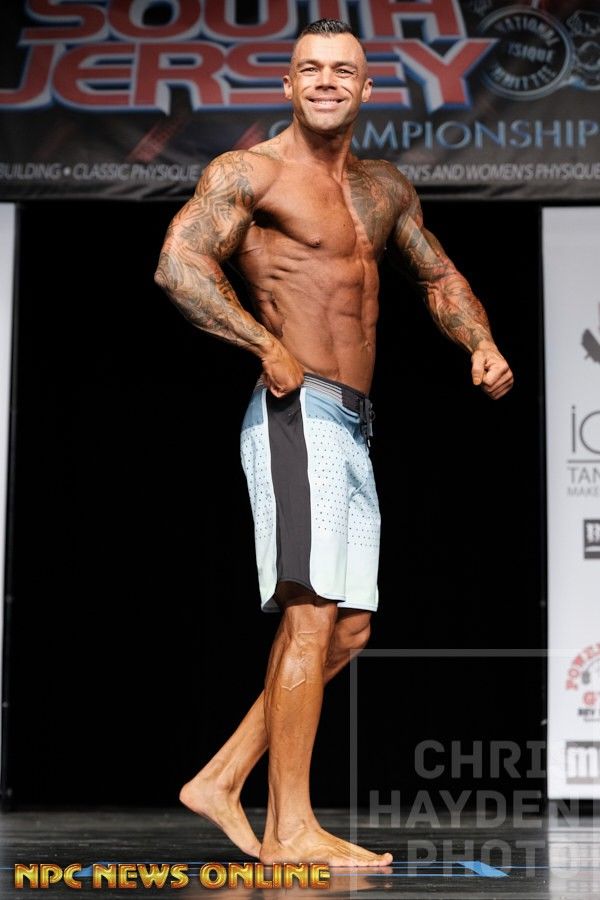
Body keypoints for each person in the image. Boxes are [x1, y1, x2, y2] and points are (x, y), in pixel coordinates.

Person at [154, 18, 514, 867]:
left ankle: (221, 777)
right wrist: (263, 344)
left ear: (365, 87)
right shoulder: (251, 172)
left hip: (354, 424)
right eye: (309, 69)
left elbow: (437, 274)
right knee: (311, 617)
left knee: (347, 632)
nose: (325, 81)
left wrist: (480, 341)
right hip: (297, 413)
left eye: (341, 70)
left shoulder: (382, 189)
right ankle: (289, 829)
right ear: (287, 84)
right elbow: (179, 264)